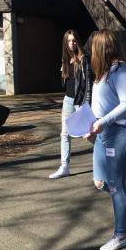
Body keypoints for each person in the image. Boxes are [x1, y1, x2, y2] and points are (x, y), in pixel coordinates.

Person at [86, 29, 126, 250]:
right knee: (101, 183)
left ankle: (120, 235)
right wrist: (91, 126)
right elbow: (100, 106)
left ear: (102, 48)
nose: (90, 51)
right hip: (104, 133)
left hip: (120, 133)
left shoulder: (121, 71)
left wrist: (102, 122)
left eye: (93, 47)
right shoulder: (103, 73)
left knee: (114, 185)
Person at [49, 29, 94, 179]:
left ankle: (108, 156)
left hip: (80, 101)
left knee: (87, 133)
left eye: (74, 40)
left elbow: (88, 83)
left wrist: (87, 103)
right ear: (65, 43)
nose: (71, 43)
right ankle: (64, 166)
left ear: (78, 41)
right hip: (68, 100)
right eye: (69, 40)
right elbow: (65, 84)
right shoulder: (65, 59)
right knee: (65, 133)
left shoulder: (84, 59)